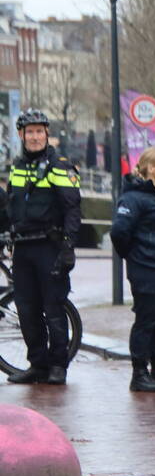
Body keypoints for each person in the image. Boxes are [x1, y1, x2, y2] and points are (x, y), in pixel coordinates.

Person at [4, 109, 81, 385]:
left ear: (47, 134)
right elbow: (11, 204)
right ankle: (37, 363)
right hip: (23, 248)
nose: (35, 137)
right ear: (21, 134)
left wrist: (69, 246)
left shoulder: (60, 165)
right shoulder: (17, 165)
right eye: (29, 132)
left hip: (50, 247)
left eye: (39, 131)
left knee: (54, 308)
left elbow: (72, 209)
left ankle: (58, 365)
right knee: (27, 309)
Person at [110, 146, 155, 393]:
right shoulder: (133, 198)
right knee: (146, 319)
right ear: (152, 168)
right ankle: (139, 373)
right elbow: (119, 232)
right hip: (145, 268)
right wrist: (134, 256)